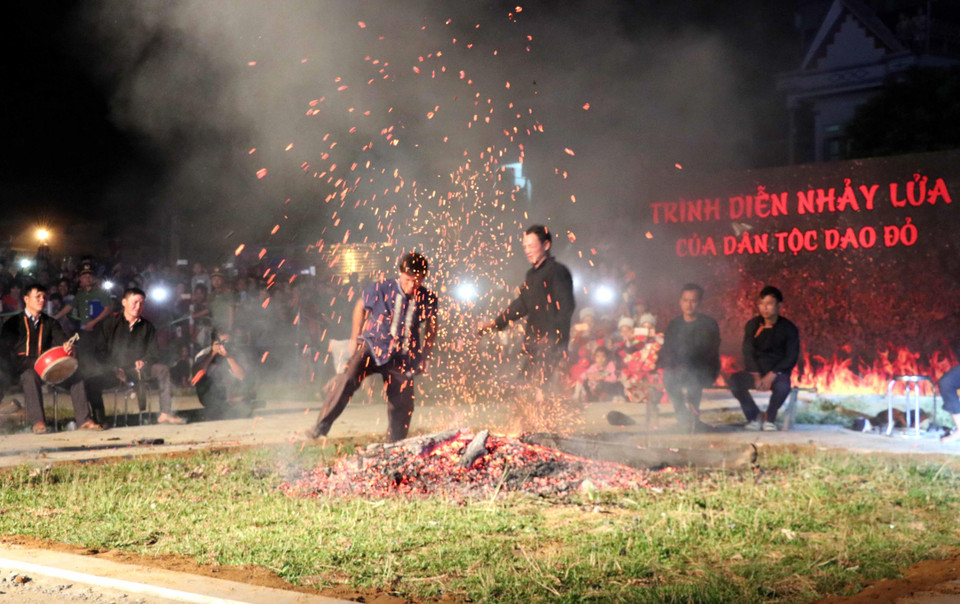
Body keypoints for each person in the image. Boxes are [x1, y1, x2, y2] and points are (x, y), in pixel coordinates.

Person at [304, 252, 439, 442]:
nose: (411, 286)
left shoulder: (427, 298)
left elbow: (432, 327)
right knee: (347, 378)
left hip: (402, 355)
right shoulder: (381, 288)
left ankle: (394, 443)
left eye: (417, 281)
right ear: (400, 273)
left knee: (403, 402)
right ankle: (320, 427)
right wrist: (354, 339)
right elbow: (360, 306)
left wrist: (426, 355)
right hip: (373, 346)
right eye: (408, 280)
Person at [477, 225, 575, 386]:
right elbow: (521, 304)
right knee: (525, 388)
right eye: (525, 247)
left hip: (550, 343)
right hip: (535, 343)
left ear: (546, 245)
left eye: (532, 246)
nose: (528, 251)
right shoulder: (532, 275)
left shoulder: (557, 272)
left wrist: (556, 339)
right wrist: (496, 323)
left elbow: (566, 307)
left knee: (537, 389)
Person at [0, 283, 101, 433]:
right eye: (38, 296)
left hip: (50, 368)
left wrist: (68, 346)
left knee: (76, 377)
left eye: (44, 297)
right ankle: (38, 422)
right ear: (26, 299)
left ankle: (84, 420)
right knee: (29, 376)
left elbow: (62, 340)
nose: (42, 300)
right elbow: (5, 352)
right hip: (22, 370)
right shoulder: (13, 324)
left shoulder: (50, 322)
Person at [85, 287, 183, 425]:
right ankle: (100, 419)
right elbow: (100, 351)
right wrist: (112, 367)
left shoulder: (147, 326)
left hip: (138, 371)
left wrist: (145, 361)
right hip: (114, 372)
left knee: (163, 369)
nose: (138, 306)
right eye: (135, 302)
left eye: (142, 303)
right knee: (91, 382)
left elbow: (154, 352)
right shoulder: (110, 324)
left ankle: (165, 413)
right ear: (124, 302)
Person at [728, 285, 800, 431]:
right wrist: (756, 375)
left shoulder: (788, 328)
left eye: (769, 304)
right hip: (756, 372)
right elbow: (747, 351)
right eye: (761, 304)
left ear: (779, 305)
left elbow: (791, 356)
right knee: (735, 381)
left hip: (777, 373)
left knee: (783, 387)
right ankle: (754, 416)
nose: (764, 308)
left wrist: (771, 375)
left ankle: (770, 417)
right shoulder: (753, 325)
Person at [656, 283, 721, 431]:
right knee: (669, 377)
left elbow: (709, 351)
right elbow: (668, 348)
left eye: (693, 301)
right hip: (679, 368)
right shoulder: (675, 324)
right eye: (685, 300)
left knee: (693, 377)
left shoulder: (708, 324)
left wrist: (688, 365)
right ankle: (683, 417)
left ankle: (692, 420)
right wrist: (666, 364)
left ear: (699, 303)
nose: (689, 305)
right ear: (680, 302)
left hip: (704, 369)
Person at [191, 331, 253, 419]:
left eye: (228, 342)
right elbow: (196, 376)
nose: (226, 345)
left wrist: (229, 357)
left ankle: (234, 406)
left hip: (233, 395)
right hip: (212, 396)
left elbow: (242, 376)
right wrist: (212, 354)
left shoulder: (236, 352)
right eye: (223, 343)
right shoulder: (204, 353)